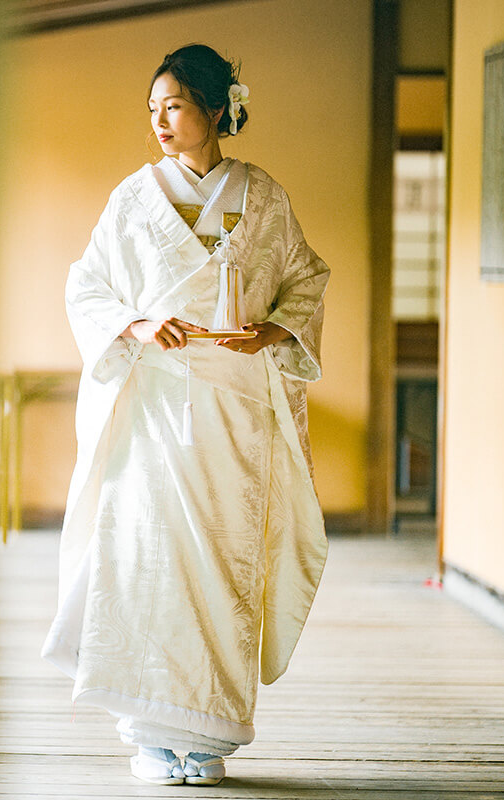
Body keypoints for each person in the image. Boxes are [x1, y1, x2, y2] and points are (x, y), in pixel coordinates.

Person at [40, 44, 330, 786]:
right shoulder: (132, 199)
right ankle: (149, 732)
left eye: (174, 105)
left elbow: (305, 277)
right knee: (148, 555)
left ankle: (207, 739)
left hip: (234, 408)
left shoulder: (262, 197)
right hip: (153, 402)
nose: (161, 121)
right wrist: (136, 326)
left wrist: (270, 331)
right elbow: (88, 287)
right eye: (153, 109)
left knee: (223, 560)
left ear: (214, 107)